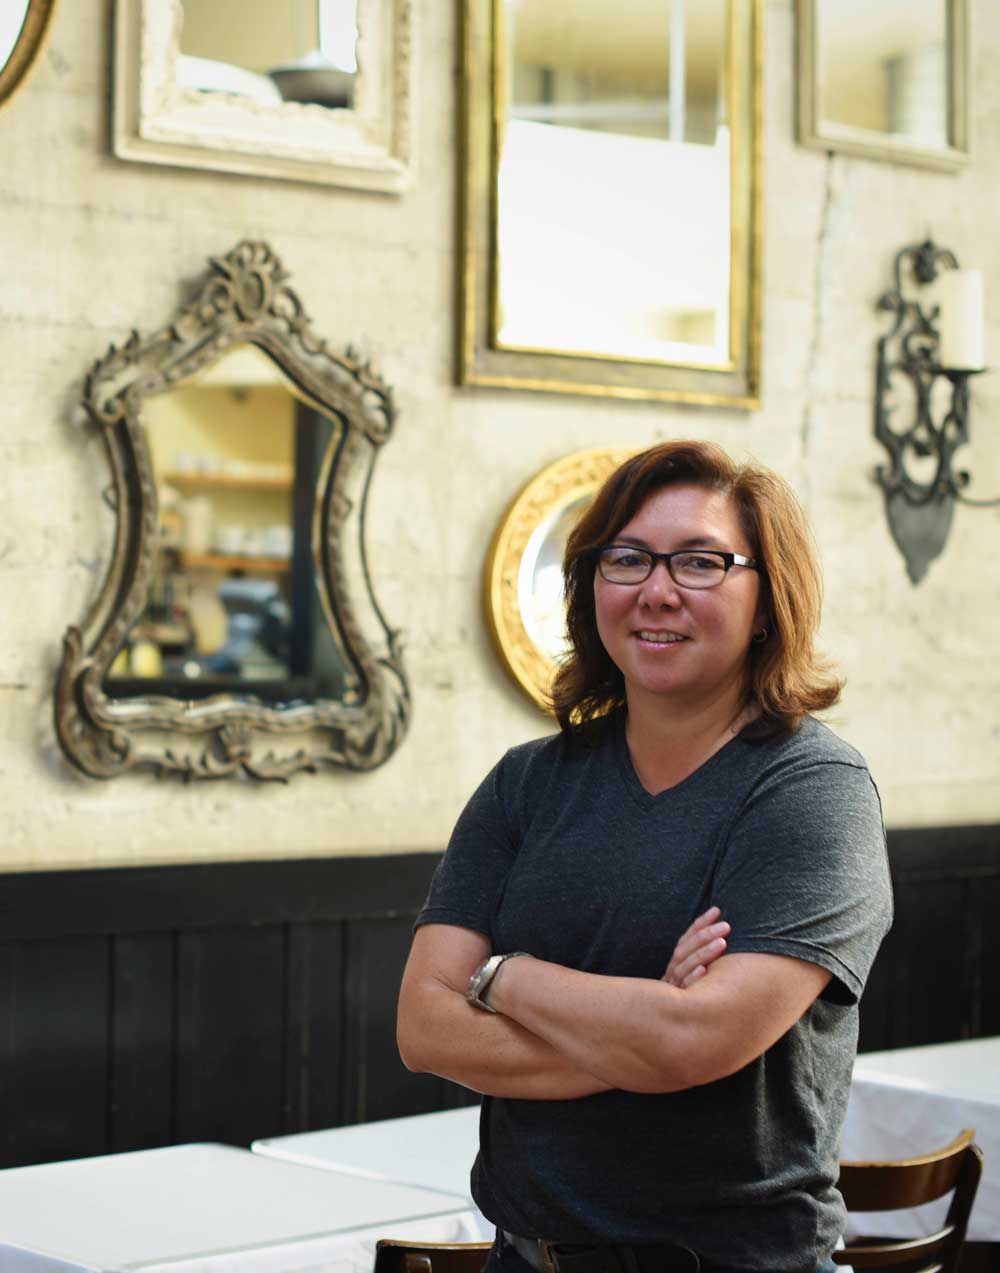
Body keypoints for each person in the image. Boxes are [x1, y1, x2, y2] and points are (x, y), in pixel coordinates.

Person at [397, 440, 892, 1273]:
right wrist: (640, 1029)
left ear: (769, 598)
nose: (657, 590)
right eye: (626, 559)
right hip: (523, 1259)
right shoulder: (525, 784)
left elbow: (693, 1043)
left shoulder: (813, 789)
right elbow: (421, 1025)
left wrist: (503, 976)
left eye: (700, 561)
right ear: (591, 584)